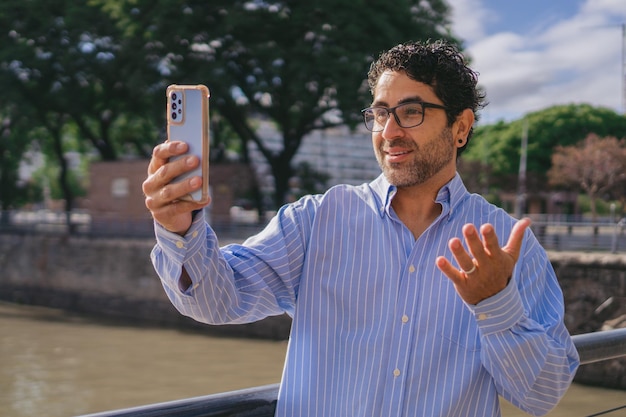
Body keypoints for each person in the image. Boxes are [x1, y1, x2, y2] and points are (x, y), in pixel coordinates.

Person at [143, 39, 579, 417]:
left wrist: (495, 306)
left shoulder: (506, 244)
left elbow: (542, 395)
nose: (389, 131)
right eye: (380, 112)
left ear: (460, 127)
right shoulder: (315, 220)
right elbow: (217, 301)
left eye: (411, 111)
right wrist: (180, 229)